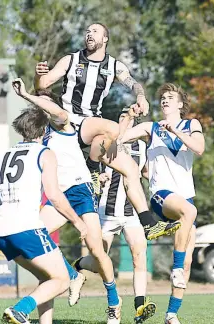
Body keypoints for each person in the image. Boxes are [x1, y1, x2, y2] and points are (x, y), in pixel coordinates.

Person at [34, 23, 180, 240]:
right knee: (111, 127)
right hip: (69, 126)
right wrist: (38, 75)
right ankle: (93, 170)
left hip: (93, 130)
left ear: (105, 39)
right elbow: (42, 85)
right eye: (87, 31)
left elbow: (133, 84)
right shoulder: (71, 60)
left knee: (131, 169)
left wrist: (141, 97)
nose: (89, 34)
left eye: (95, 31)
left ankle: (148, 224)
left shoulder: (113, 66)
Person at [12, 78, 122, 324]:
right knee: (32, 235)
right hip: (57, 196)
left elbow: (58, 111)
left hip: (80, 191)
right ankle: (73, 275)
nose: (43, 109)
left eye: (45, 104)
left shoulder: (64, 123)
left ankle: (114, 301)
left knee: (95, 248)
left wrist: (27, 95)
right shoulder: (40, 134)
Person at [0, 108, 88, 324]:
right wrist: (78, 222)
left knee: (47, 279)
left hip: (3, 233)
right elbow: (55, 196)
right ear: (45, 130)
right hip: (27, 228)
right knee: (63, 280)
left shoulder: (3, 156)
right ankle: (20, 309)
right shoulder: (44, 153)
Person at [121, 83, 205, 324]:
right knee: (189, 212)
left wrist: (176, 131)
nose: (165, 100)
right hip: (162, 196)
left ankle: (171, 315)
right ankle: (175, 267)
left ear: (180, 104)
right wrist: (129, 116)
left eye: (170, 97)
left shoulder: (192, 125)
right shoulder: (151, 127)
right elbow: (120, 137)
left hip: (184, 199)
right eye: (163, 98)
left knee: (188, 263)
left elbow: (199, 148)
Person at [71, 108, 156, 324]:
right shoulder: (105, 141)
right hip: (106, 211)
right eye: (122, 117)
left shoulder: (142, 147)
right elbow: (89, 170)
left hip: (132, 212)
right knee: (100, 260)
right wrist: (98, 177)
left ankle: (140, 306)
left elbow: (146, 174)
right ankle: (80, 265)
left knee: (139, 255)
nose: (126, 120)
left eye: (129, 117)